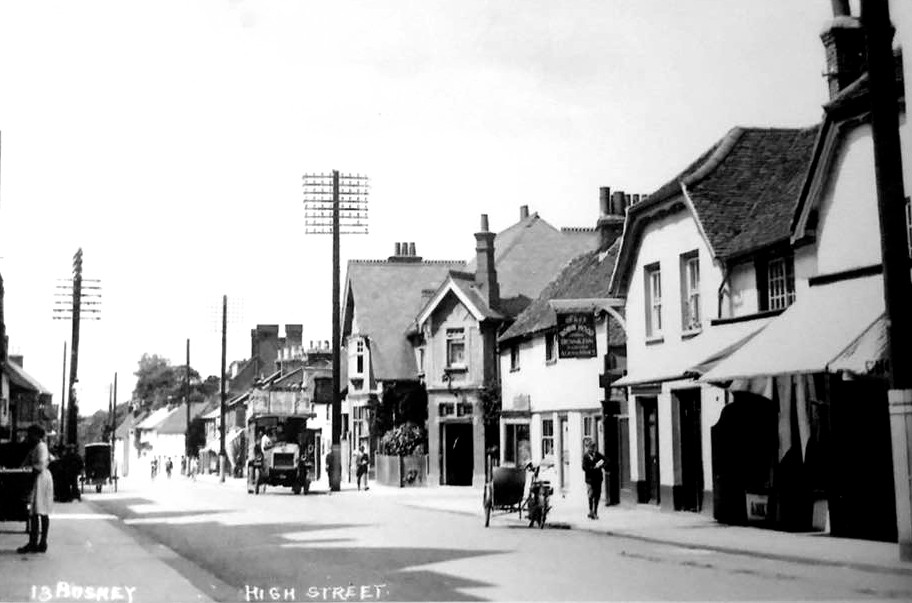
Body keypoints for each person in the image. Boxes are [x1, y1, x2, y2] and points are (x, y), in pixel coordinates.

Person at [18, 425, 54, 554]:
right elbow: (26, 462)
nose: (29, 437)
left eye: (30, 435)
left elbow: (40, 465)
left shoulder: (41, 447)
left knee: (41, 510)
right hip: (38, 479)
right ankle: (34, 542)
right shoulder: (35, 447)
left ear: (37, 435)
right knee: (34, 512)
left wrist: (27, 470)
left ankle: (41, 542)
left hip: (41, 479)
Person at [582, 438, 606, 519]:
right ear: (587, 447)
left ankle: (595, 511)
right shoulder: (585, 456)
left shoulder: (597, 455)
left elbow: (605, 460)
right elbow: (584, 467)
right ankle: (590, 511)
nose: (592, 449)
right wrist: (593, 468)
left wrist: (601, 465)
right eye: (590, 447)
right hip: (590, 479)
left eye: (593, 447)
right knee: (591, 494)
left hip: (598, 478)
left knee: (597, 495)